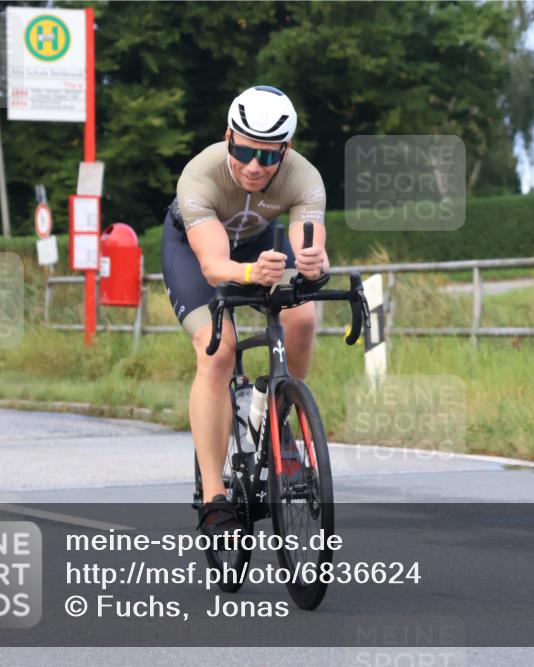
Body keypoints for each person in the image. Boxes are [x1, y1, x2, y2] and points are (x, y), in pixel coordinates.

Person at [162, 85, 328, 535]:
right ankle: (215, 495)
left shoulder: (305, 177)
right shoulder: (200, 174)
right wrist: (253, 274)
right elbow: (215, 267)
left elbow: (308, 245)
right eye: (244, 151)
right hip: (196, 253)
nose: (254, 166)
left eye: (269, 157)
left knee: (303, 315)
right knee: (218, 351)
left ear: (286, 151)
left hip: (259, 245)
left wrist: (315, 262)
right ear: (229, 137)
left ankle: (280, 421)